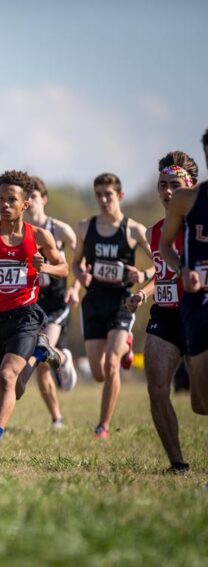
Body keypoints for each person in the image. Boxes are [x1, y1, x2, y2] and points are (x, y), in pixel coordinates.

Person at [0, 170, 67, 462]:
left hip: (26, 317)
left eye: (11, 199)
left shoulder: (39, 237)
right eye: (1, 199)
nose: (5, 205)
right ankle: (41, 353)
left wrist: (44, 268)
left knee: (6, 377)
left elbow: (64, 268)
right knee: (14, 388)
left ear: (25, 204)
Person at [127, 151, 198, 473]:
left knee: (200, 403)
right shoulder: (156, 231)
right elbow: (163, 273)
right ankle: (177, 463)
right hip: (166, 317)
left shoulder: (200, 227)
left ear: (190, 188)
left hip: (198, 314)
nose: (168, 191)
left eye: (175, 185)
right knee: (156, 388)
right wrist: (143, 292)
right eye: (163, 185)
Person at [72, 173, 152, 439]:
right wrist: (80, 274)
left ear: (120, 196)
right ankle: (125, 347)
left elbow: (160, 263)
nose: (104, 200)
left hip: (121, 301)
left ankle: (103, 426)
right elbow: (76, 263)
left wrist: (142, 276)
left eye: (108, 194)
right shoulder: (86, 227)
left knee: (111, 365)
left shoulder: (134, 229)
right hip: (93, 302)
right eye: (99, 195)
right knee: (97, 373)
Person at [159, 140, 208, 470]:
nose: (166, 191)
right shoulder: (187, 202)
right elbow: (165, 247)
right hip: (190, 305)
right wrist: (182, 269)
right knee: (201, 399)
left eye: (172, 184)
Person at [23, 176, 79, 429]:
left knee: (42, 351)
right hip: (31, 303)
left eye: (34, 196)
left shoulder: (60, 230)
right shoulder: (19, 232)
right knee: (42, 365)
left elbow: (80, 263)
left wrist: (76, 288)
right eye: (26, 198)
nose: (30, 202)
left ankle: (64, 361)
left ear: (44, 199)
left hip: (57, 302)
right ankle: (57, 418)